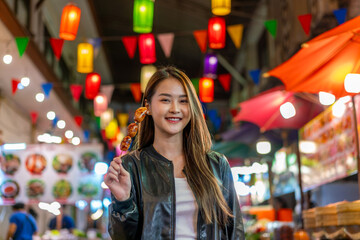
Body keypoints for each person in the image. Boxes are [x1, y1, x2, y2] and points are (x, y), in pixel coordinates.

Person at [105, 66, 245, 240]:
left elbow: (235, 231)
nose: (175, 109)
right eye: (165, 100)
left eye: (183, 101)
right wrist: (123, 202)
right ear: (147, 106)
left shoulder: (216, 165)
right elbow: (122, 237)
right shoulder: (130, 166)